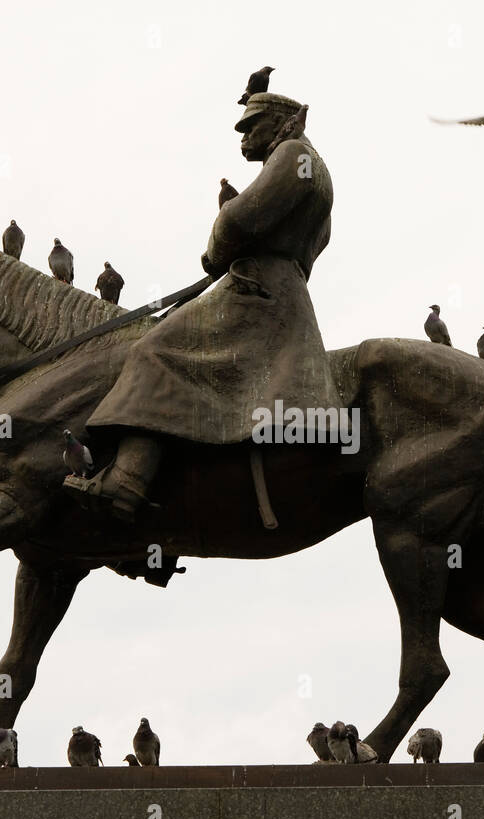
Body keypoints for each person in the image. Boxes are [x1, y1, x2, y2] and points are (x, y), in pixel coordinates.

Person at [79, 93, 342, 521]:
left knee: (154, 351)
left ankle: (128, 479)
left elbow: (241, 219)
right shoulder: (314, 168)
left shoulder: (295, 155)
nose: (243, 137)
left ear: (280, 124)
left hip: (255, 291)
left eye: (251, 126)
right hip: (282, 292)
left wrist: (215, 247)